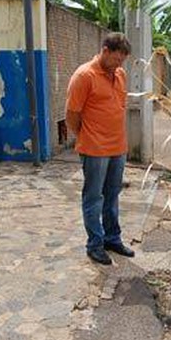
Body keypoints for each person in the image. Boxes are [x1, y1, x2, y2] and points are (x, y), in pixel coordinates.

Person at [66, 32, 135, 265]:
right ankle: (95, 244)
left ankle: (112, 238)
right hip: (94, 148)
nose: (119, 64)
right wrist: (85, 136)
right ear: (105, 51)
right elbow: (72, 114)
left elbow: (120, 106)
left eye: (122, 61)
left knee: (112, 194)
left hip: (118, 147)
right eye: (116, 59)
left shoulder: (120, 74)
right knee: (94, 196)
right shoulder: (84, 76)